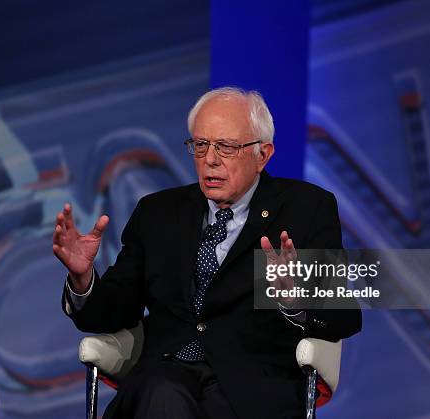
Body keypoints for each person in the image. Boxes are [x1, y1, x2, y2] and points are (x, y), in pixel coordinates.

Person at [53, 87, 362, 419]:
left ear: (263, 154)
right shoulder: (157, 213)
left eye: (226, 147)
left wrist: (295, 298)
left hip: (251, 387)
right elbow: (115, 310)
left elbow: (343, 313)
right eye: (200, 145)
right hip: (164, 377)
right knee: (162, 396)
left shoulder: (305, 209)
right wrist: (83, 280)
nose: (210, 160)